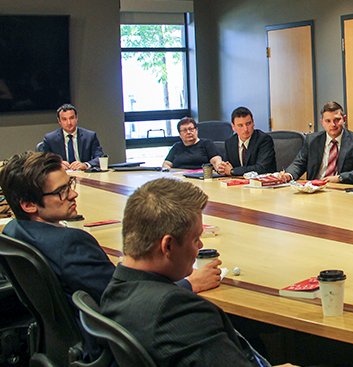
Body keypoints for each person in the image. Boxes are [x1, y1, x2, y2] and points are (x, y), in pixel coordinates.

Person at [0, 152, 222, 359]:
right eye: (62, 191)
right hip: (105, 349)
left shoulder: (12, 231)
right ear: (28, 205)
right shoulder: (70, 245)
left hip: (57, 346)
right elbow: (123, 301)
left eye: (70, 184)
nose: (73, 193)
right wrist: (188, 284)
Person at [100, 178, 292, 367]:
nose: (200, 246)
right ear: (168, 246)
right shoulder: (177, 311)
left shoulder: (114, 290)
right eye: (195, 239)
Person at [276, 101, 353, 184]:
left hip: (341, 189)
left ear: (344, 119)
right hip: (315, 188)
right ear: (322, 122)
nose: (333, 125)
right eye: (328, 121)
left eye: (337, 120)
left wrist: (340, 178)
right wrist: (288, 175)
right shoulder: (312, 140)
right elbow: (299, 164)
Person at [40, 103, 105, 170]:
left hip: (84, 174)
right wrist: (57, 164)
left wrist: (86, 165)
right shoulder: (50, 139)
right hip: (61, 175)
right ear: (59, 121)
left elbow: (100, 158)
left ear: (76, 118)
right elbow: (43, 161)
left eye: (71, 118)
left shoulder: (90, 136)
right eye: (64, 119)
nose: (69, 123)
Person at [217, 106, 276, 176]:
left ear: (253, 123)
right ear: (233, 127)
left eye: (248, 124)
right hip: (237, 184)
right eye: (240, 125)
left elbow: (261, 168)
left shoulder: (264, 140)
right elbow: (227, 167)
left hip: (262, 183)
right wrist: (222, 168)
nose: (245, 129)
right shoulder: (230, 143)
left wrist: (233, 171)